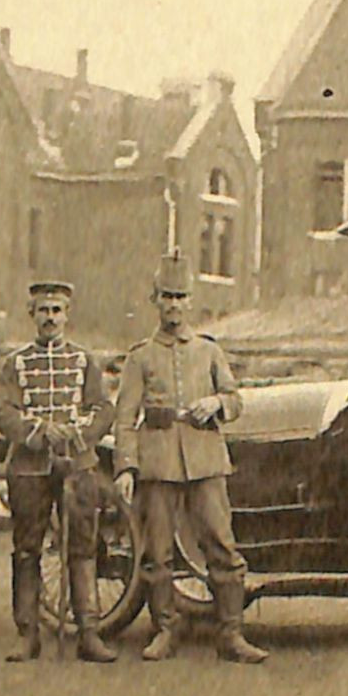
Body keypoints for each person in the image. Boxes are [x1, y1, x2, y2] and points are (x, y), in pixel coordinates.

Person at [113, 250, 268, 664]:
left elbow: (237, 402)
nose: (174, 305)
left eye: (181, 297)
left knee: (221, 544)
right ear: (155, 300)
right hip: (159, 461)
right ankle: (166, 628)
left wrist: (216, 403)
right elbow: (124, 418)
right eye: (166, 296)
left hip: (205, 459)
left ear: (190, 301)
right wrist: (126, 466)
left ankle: (231, 633)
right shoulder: (140, 356)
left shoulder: (209, 351)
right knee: (157, 551)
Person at [0, 280, 118, 663]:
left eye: (57, 311)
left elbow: (103, 410)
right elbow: (4, 412)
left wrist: (77, 434)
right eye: (43, 310)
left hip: (77, 465)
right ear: (31, 315)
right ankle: (27, 634)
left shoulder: (85, 361)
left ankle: (88, 634)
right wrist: (41, 431)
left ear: (67, 315)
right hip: (29, 468)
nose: (50, 318)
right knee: (27, 547)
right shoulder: (15, 363)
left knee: (82, 546)